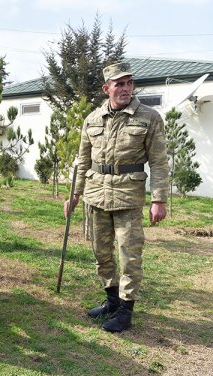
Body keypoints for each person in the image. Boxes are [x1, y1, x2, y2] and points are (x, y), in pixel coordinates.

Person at [64, 62, 169, 333]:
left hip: (128, 196)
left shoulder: (148, 117)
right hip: (96, 194)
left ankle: (125, 310)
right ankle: (111, 300)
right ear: (106, 88)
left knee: (129, 255)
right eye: (119, 84)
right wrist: (74, 195)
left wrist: (159, 199)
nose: (125, 88)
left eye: (129, 83)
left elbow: (158, 162)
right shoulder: (92, 119)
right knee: (101, 252)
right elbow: (82, 160)